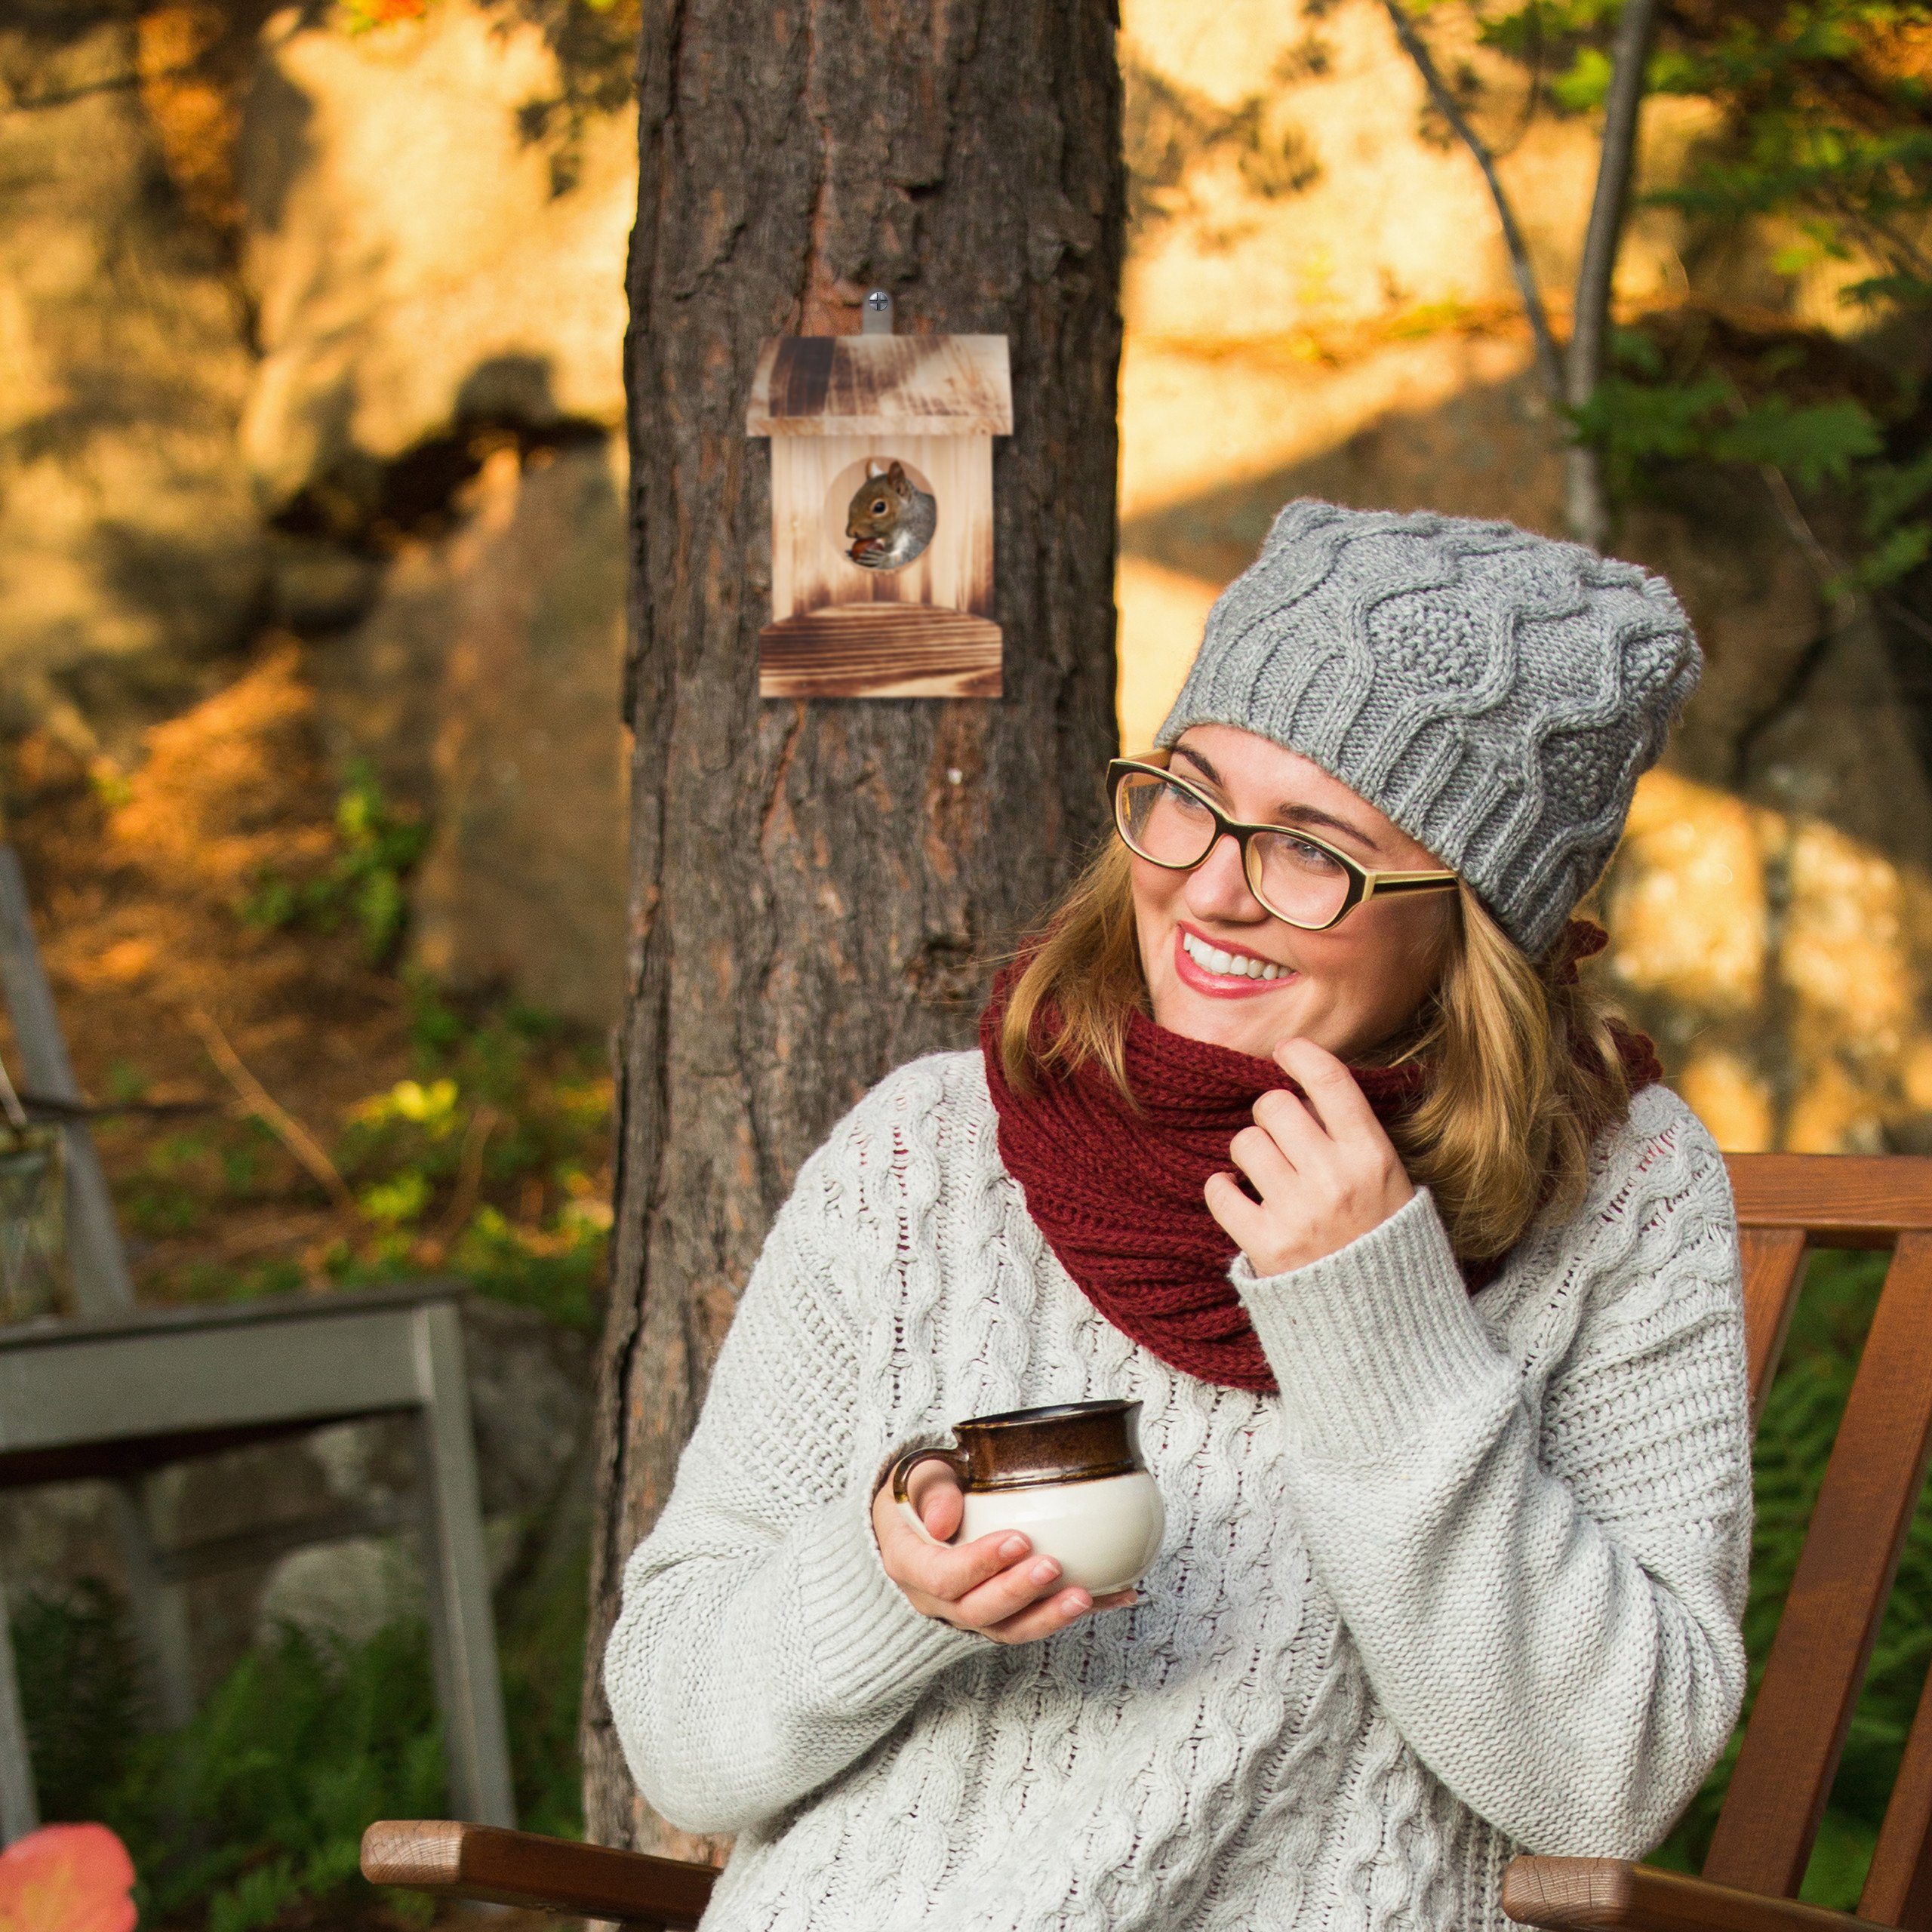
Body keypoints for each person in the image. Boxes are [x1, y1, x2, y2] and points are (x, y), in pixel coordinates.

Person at [602, 497, 1755, 1932]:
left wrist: (1379, 1328)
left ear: (1475, 923)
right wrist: (883, 1593)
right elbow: (676, 1737)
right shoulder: (931, 1149)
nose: (1211, 887)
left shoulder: (1622, 1194)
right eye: (1190, 796)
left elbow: (1603, 1784)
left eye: (1311, 850)